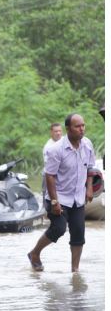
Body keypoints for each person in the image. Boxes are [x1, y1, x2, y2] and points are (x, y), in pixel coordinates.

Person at [28, 113, 95, 272]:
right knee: (58, 228)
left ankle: (75, 271)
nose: (81, 129)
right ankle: (35, 253)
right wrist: (54, 202)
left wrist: (90, 187)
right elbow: (50, 176)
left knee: (78, 233)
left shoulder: (87, 144)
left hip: (78, 197)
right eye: (77, 126)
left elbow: (90, 168)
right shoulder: (56, 149)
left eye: (83, 125)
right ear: (68, 129)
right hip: (58, 196)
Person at [41, 122, 64, 200]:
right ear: (51, 132)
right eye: (56, 131)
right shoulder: (48, 147)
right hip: (49, 175)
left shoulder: (65, 141)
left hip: (62, 175)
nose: (58, 133)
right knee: (48, 197)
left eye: (60, 131)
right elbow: (49, 167)